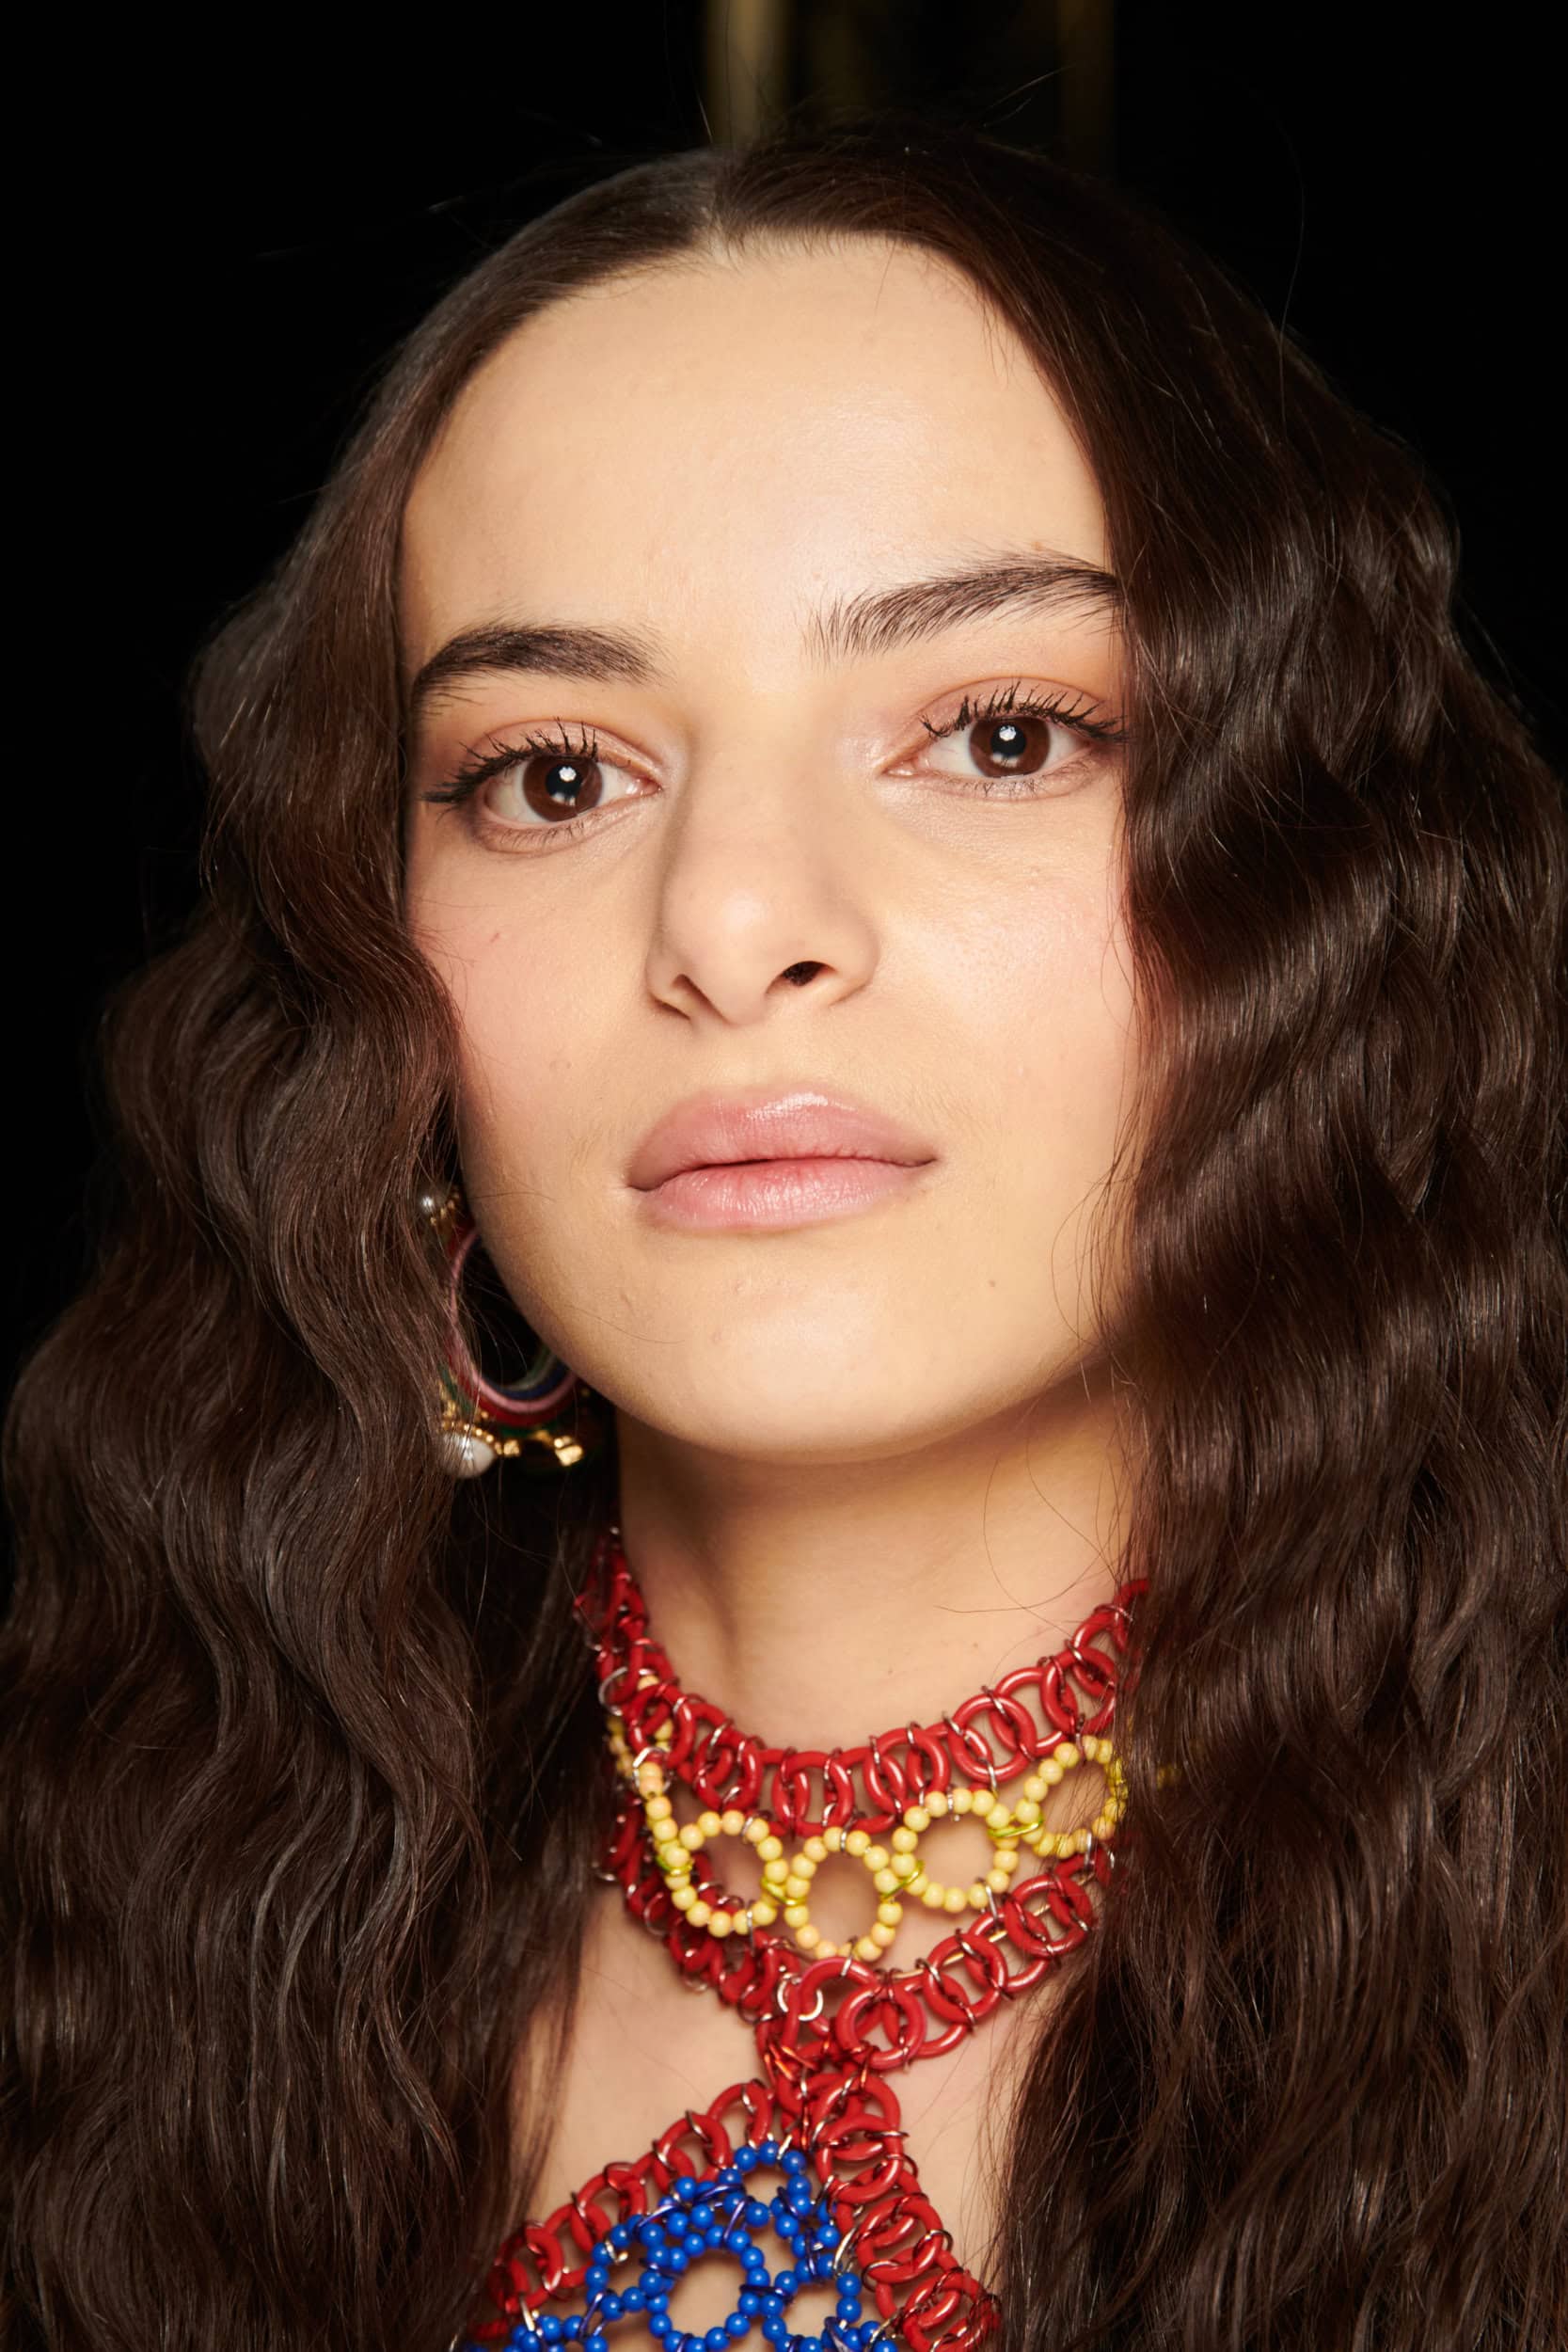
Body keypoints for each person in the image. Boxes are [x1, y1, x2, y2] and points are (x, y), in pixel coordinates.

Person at [4, 109, 1564, 2352]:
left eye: (999, 734)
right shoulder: (136, 1914)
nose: (734, 925)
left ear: (1319, 888)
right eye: (555, 774)